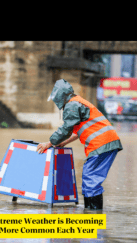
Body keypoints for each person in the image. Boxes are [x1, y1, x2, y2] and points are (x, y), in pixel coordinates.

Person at [36, 79, 123, 210]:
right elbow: (77, 132)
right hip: (107, 142)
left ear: (61, 95)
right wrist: (62, 143)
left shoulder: (72, 104)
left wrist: (49, 143)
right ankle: (92, 213)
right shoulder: (79, 102)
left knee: (90, 179)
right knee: (90, 179)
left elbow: (66, 128)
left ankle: (93, 216)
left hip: (101, 144)